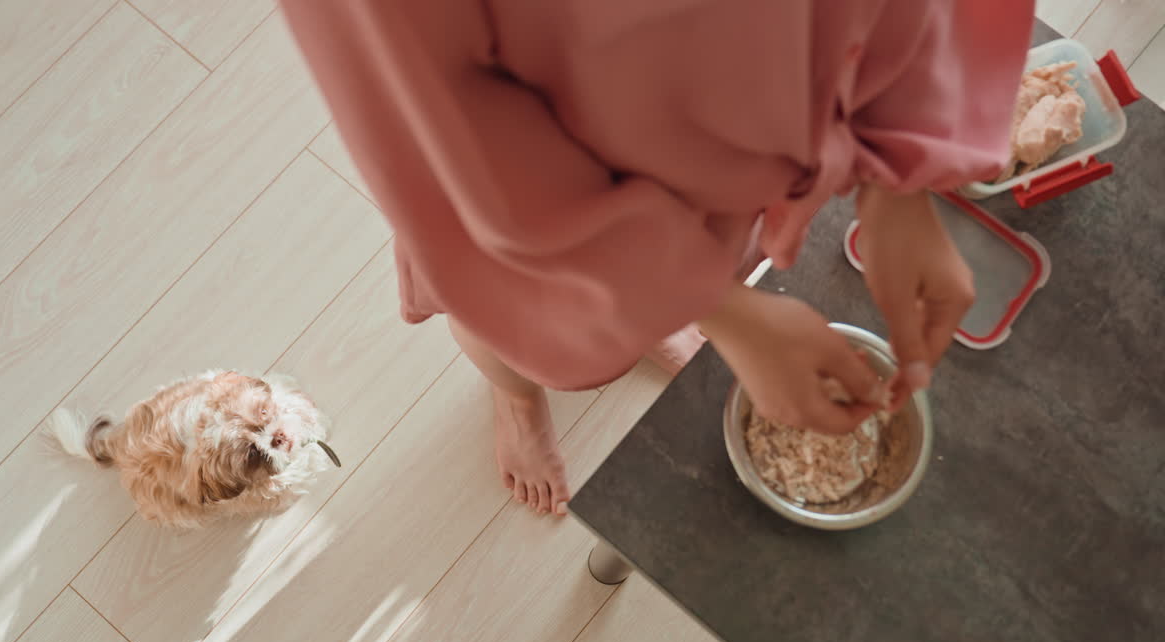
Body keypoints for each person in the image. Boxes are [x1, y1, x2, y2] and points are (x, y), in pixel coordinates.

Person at [281, 0, 1033, 516]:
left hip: (741, 151)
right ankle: (519, 394)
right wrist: (728, 315)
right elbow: (458, 151)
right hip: (529, 198)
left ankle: (672, 305)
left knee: (717, 263)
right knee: (510, 317)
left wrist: (897, 176)